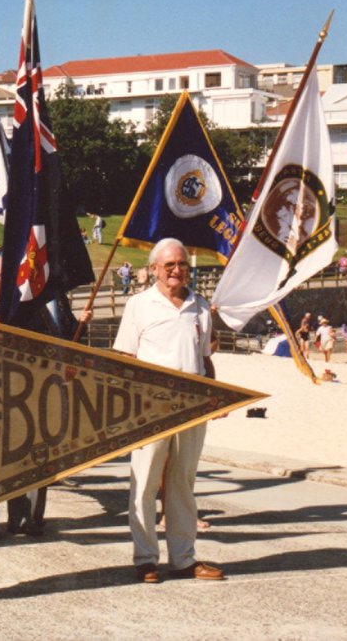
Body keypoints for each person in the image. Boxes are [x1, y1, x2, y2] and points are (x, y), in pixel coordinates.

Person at [112, 237, 223, 584]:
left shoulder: (200, 306)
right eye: (170, 265)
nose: (177, 271)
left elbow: (205, 359)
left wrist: (215, 398)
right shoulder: (139, 305)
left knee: (182, 484)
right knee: (144, 484)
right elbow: (126, 358)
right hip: (149, 407)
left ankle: (184, 559)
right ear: (155, 269)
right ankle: (146, 559)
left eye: (183, 264)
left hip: (191, 408)